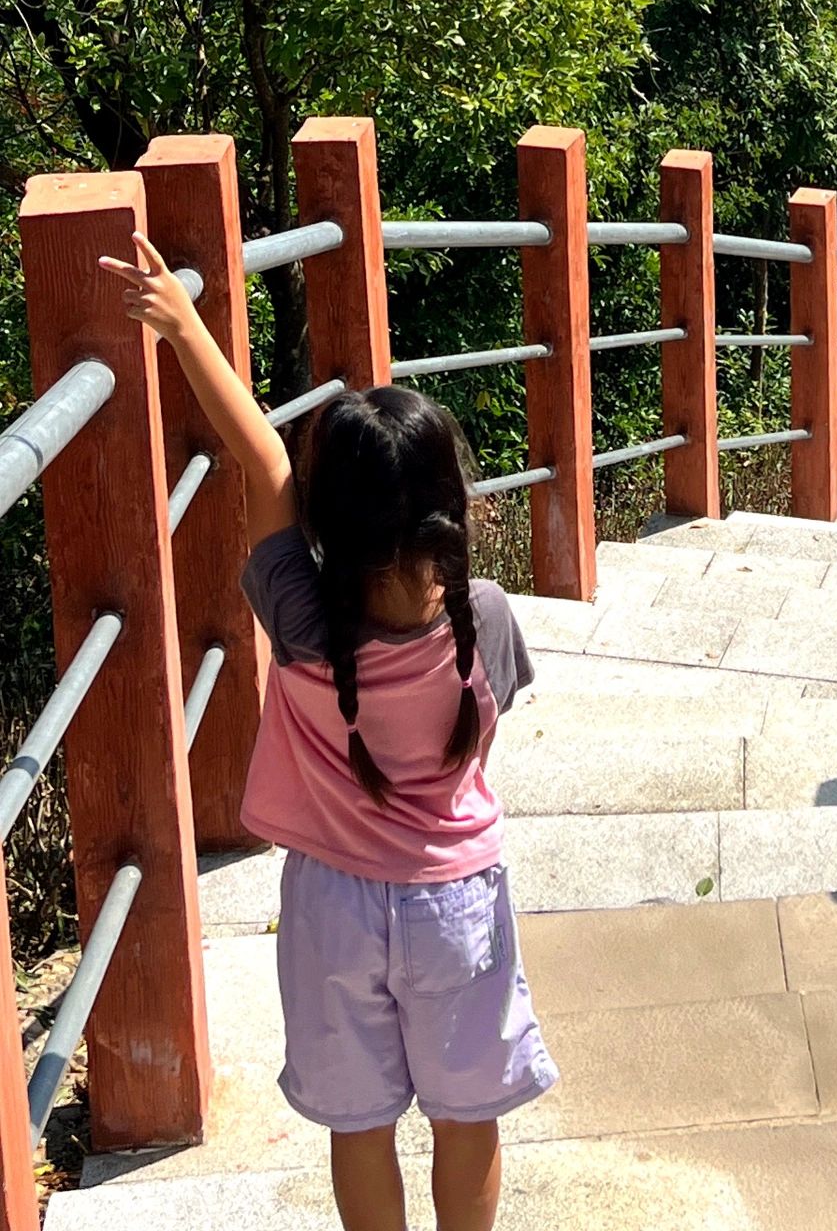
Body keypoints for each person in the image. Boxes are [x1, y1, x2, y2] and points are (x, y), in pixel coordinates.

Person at [103, 231, 557, 1231]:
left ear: (327, 524)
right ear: (449, 508)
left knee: (360, 1128)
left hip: (332, 912)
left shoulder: (303, 625)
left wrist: (183, 325)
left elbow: (259, 455)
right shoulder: (484, 615)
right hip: (456, 905)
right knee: (466, 1118)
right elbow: (477, 742)